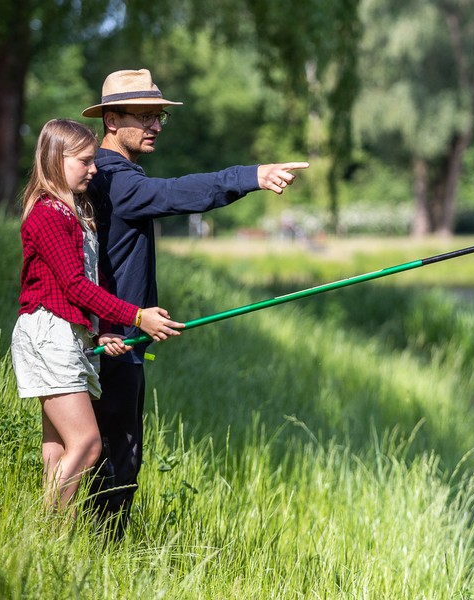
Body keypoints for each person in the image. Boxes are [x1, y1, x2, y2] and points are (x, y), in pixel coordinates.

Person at [81, 69, 309, 533]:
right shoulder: (112, 179)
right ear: (111, 119)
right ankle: (98, 552)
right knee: (116, 461)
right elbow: (174, 193)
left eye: (159, 116)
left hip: (119, 333)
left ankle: (87, 546)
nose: (157, 125)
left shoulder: (104, 175)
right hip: (114, 340)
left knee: (108, 454)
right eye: (145, 116)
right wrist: (251, 176)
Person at [10, 118, 185, 512]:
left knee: (58, 452)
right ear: (56, 160)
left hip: (70, 334)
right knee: (87, 444)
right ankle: (46, 531)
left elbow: (96, 275)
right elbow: (75, 286)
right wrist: (137, 317)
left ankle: (54, 539)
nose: (94, 169)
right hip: (48, 335)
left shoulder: (73, 211)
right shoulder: (47, 214)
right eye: (85, 162)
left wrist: (105, 329)